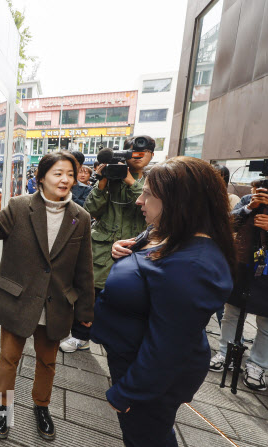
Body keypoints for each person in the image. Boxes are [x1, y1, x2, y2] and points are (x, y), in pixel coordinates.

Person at [91, 157, 235, 447]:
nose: (139, 201)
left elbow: (168, 346)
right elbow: (152, 265)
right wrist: (128, 249)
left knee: (146, 437)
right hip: (133, 358)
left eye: (148, 195)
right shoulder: (172, 234)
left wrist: (129, 392)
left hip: (148, 377)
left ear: (177, 201)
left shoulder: (195, 265)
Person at [0, 152, 94, 441]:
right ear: (41, 177)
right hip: (18, 299)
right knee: (8, 359)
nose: (65, 179)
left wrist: (86, 314)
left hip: (56, 304)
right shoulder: (19, 207)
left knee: (47, 362)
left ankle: (41, 406)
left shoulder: (80, 217)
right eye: (58, 173)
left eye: (70, 173)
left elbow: (84, 269)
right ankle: (3, 408)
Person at [60, 136, 153, 353]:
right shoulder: (111, 178)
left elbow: (152, 208)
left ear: (151, 156)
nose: (137, 157)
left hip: (134, 248)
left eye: (143, 153)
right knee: (89, 293)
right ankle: (80, 336)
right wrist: (102, 182)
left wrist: (131, 181)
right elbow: (91, 210)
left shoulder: (153, 180)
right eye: (133, 153)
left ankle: (115, 339)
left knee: (126, 298)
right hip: (102, 247)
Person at [209, 179, 268, 390]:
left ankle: (258, 364)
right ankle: (226, 354)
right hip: (243, 264)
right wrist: (248, 208)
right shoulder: (247, 200)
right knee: (231, 312)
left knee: (266, 322)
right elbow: (227, 224)